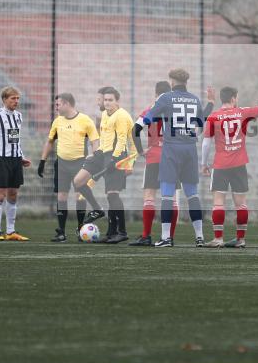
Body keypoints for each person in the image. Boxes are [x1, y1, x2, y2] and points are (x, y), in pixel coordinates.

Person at [135, 68, 206, 247]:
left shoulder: (165, 98)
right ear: (186, 82)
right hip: (190, 149)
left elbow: (145, 122)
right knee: (192, 194)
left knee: (167, 195)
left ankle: (166, 237)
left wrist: (139, 131)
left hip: (171, 149)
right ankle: (200, 237)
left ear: (172, 81)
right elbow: (201, 125)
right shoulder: (195, 99)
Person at [200, 86, 258, 248]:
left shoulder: (214, 116)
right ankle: (240, 239)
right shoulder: (242, 112)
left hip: (220, 164)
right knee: (241, 204)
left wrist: (204, 163)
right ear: (234, 98)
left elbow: (206, 143)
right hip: (239, 164)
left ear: (222, 99)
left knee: (218, 202)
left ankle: (218, 239)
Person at [74, 86, 136, 243]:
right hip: (103, 154)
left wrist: (117, 160)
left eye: (110, 100)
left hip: (117, 155)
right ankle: (98, 211)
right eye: (105, 100)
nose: (107, 103)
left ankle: (120, 232)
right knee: (78, 181)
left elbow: (122, 140)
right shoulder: (104, 114)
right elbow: (105, 139)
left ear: (117, 101)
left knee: (112, 194)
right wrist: (96, 154)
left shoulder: (121, 116)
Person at [38, 93, 99, 243]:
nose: (56, 107)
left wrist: (95, 156)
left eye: (58, 104)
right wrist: (42, 161)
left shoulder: (85, 120)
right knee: (61, 197)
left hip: (80, 163)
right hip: (62, 164)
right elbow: (50, 142)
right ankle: (61, 232)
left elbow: (95, 141)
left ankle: (80, 229)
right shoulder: (57, 121)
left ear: (67, 103)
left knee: (79, 196)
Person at [0, 87, 32, 241]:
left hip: (15, 159)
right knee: (0, 193)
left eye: (17, 98)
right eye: (13, 98)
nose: (16, 101)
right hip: (1, 159)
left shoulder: (19, 116)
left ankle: (11, 232)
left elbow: (15, 140)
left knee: (13, 193)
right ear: (4, 99)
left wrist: (22, 157)